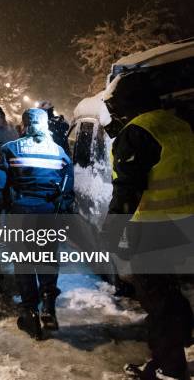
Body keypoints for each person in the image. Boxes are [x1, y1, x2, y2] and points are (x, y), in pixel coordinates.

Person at [100, 71, 193, 380]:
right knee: (167, 293)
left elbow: (127, 189)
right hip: (185, 223)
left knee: (157, 299)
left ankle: (170, 368)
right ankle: (181, 337)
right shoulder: (179, 124)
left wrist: (111, 234)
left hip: (154, 227)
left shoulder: (137, 132)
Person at [0, 108, 74, 340]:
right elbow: (67, 191)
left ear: (23, 126)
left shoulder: (9, 150)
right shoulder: (60, 153)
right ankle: (48, 304)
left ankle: (30, 315)